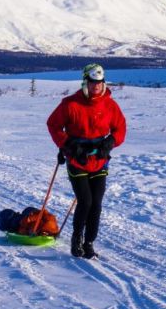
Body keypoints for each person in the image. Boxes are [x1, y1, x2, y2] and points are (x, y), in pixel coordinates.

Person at [47, 63, 126, 258]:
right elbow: (53, 125)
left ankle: (89, 242)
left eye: (99, 82)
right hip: (77, 160)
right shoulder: (70, 104)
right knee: (86, 201)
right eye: (92, 82)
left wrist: (110, 142)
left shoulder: (110, 105)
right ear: (85, 82)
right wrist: (68, 145)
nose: (96, 86)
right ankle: (76, 239)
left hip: (99, 160)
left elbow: (120, 128)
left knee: (96, 203)